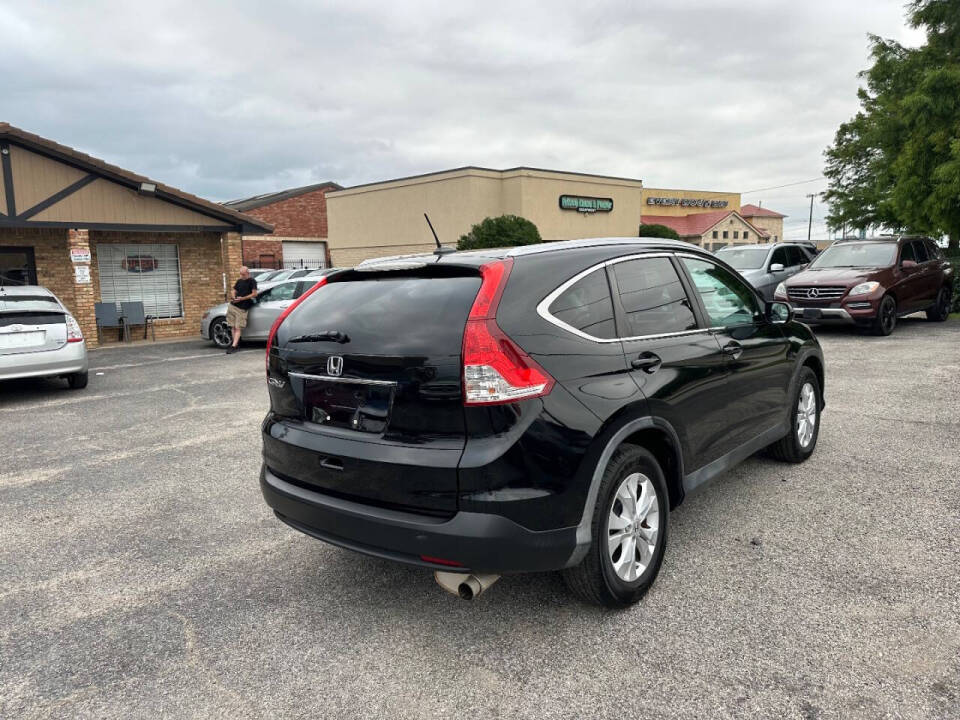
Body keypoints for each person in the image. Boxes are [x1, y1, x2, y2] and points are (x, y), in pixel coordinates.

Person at [226, 266, 257, 354]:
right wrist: (233, 296)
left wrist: (242, 298)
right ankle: (235, 344)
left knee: (238, 327)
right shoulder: (239, 281)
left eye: (243, 274)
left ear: (248, 273)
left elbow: (254, 294)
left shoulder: (252, 281)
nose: (242, 276)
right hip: (233, 306)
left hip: (242, 308)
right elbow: (234, 290)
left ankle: (233, 346)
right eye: (240, 274)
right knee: (232, 326)